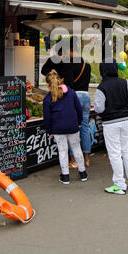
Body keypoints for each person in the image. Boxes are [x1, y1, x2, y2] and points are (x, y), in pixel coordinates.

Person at [42, 37, 92, 168]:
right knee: (85, 128)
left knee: (72, 129)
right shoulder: (87, 63)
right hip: (86, 97)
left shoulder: (68, 64)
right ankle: (87, 158)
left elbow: (68, 85)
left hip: (74, 97)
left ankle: (74, 160)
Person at [94, 58, 128, 195]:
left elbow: (99, 108)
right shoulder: (124, 83)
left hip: (110, 123)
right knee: (127, 150)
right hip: (124, 120)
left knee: (114, 154)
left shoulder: (101, 87)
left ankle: (119, 184)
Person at [43, 69, 87, 185]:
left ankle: (65, 176)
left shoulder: (48, 98)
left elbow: (47, 117)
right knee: (77, 148)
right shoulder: (71, 92)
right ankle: (83, 173)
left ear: (48, 84)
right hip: (73, 126)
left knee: (62, 151)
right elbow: (78, 109)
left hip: (58, 128)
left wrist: (49, 130)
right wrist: (79, 122)